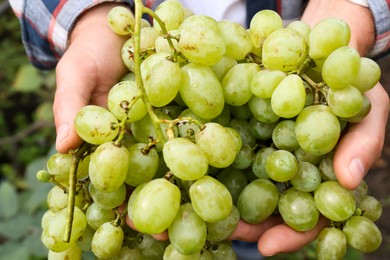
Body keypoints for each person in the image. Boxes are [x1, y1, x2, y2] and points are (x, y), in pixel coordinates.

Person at [10, 0, 390, 257]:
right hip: (163, 84)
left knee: (238, 220)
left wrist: (354, 7)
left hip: (273, 59)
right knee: (202, 227)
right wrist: (90, 15)